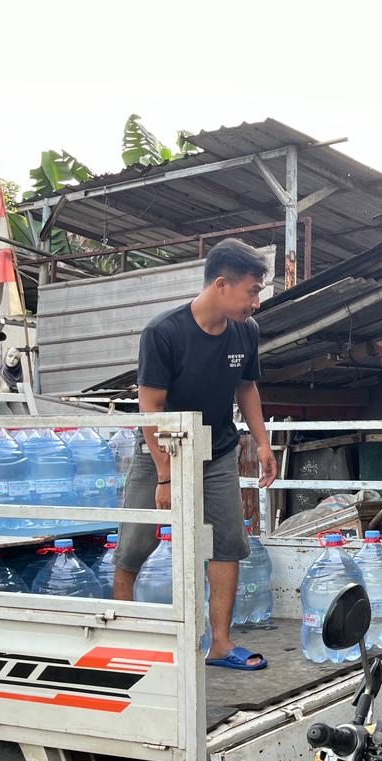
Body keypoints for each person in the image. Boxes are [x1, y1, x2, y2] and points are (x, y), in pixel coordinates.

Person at [113, 239, 277, 670]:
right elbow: (150, 409)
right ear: (221, 285)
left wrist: (262, 442)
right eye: (252, 291)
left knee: (228, 543)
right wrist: (165, 475)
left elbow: (246, 387)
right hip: (160, 450)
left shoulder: (246, 331)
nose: (256, 302)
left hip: (218, 451)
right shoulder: (164, 332)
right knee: (135, 544)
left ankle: (220, 644)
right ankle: (125, 638)